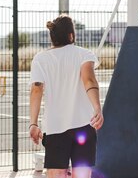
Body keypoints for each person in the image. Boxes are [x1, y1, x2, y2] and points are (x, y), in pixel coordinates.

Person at [29, 14, 104, 178]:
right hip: (84, 124)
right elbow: (89, 80)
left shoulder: (41, 59)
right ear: (71, 35)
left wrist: (33, 123)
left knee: (56, 173)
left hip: (55, 127)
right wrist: (97, 108)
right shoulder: (84, 54)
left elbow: (36, 90)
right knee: (82, 173)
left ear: (52, 36)